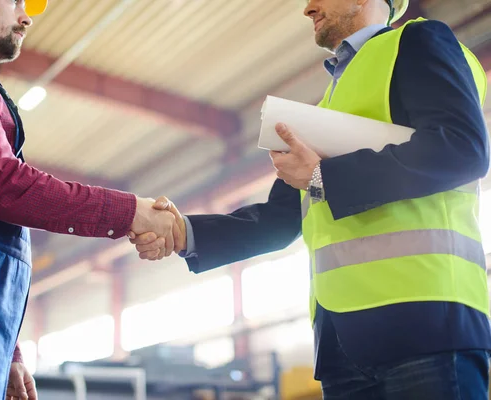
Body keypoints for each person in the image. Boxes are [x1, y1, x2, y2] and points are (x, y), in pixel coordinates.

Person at [131, 0, 491, 398]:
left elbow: (461, 149)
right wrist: (183, 232)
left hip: (427, 321)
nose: (307, 7)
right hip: (341, 344)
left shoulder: (418, 41)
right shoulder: (326, 107)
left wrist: (323, 175)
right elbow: (281, 217)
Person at [0, 0, 182, 398]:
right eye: (15, 1)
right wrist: (129, 211)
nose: (27, 16)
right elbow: (2, 186)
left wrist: (8, 349)